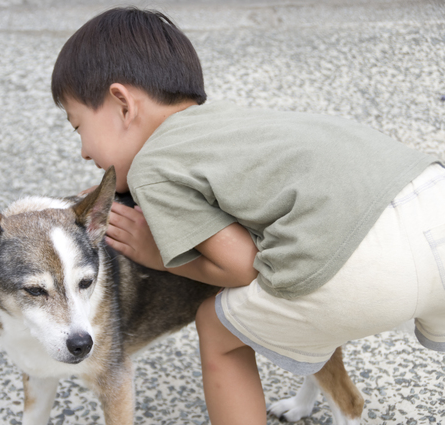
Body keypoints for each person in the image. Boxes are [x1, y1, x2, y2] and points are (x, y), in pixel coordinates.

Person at [51, 7, 445, 425]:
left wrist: (155, 253)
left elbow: (241, 269)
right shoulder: (228, 125)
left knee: (218, 328)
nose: (84, 152)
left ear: (122, 104)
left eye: (78, 127)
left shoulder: (153, 164)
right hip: (429, 201)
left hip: (366, 265)